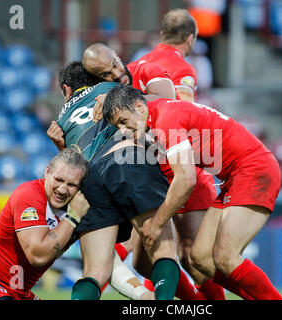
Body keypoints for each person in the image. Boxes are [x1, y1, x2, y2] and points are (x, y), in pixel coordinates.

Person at [103, 85, 282, 300]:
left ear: (140, 107)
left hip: (253, 169)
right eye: (117, 126)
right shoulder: (157, 113)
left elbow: (186, 179)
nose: (122, 131)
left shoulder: (165, 120)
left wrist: (157, 223)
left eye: (123, 121)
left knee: (226, 257)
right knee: (199, 260)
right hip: (234, 177)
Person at [82, 40, 223, 299]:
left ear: (116, 54)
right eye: (104, 75)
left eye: (113, 65)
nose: (115, 74)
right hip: (148, 176)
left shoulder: (146, 69)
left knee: (194, 257)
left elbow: (167, 101)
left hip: (179, 166)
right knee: (143, 263)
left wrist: (115, 101)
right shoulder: (101, 99)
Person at [49, 61, 180, 300]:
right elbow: (164, 98)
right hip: (124, 156)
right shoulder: (108, 90)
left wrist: (60, 146)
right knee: (163, 250)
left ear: (67, 90)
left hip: (90, 178)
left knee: (96, 271)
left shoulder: (62, 118)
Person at [0, 147, 90, 300]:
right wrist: (73, 218)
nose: (62, 189)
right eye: (58, 180)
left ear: (80, 188)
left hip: (19, 293)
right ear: (47, 173)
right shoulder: (29, 194)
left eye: (71, 185)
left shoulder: (81, 207)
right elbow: (37, 256)